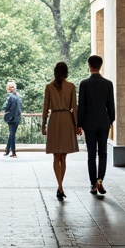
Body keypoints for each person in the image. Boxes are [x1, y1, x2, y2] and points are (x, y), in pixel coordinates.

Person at [77, 54, 115, 195]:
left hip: (89, 123)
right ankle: (100, 180)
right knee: (103, 153)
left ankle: (93, 184)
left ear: (89, 65)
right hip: (103, 122)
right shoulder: (108, 83)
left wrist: (79, 124)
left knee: (91, 155)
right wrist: (110, 120)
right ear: (100, 66)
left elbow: (82, 106)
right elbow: (111, 105)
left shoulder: (84, 84)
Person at [41, 61, 78, 199]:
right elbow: (74, 107)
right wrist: (76, 125)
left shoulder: (49, 87)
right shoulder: (71, 87)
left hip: (55, 119)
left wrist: (43, 124)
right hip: (67, 119)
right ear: (66, 72)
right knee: (64, 156)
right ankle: (60, 186)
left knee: (56, 156)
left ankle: (60, 186)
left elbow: (45, 108)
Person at [2, 80, 22, 157]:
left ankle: (13, 152)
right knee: (12, 134)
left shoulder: (10, 96)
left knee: (12, 134)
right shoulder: (18, 96)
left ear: (10, 88)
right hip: (17, 117)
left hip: (11, 118)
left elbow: (5, 106)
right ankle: (7, 150)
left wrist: (5, 110)